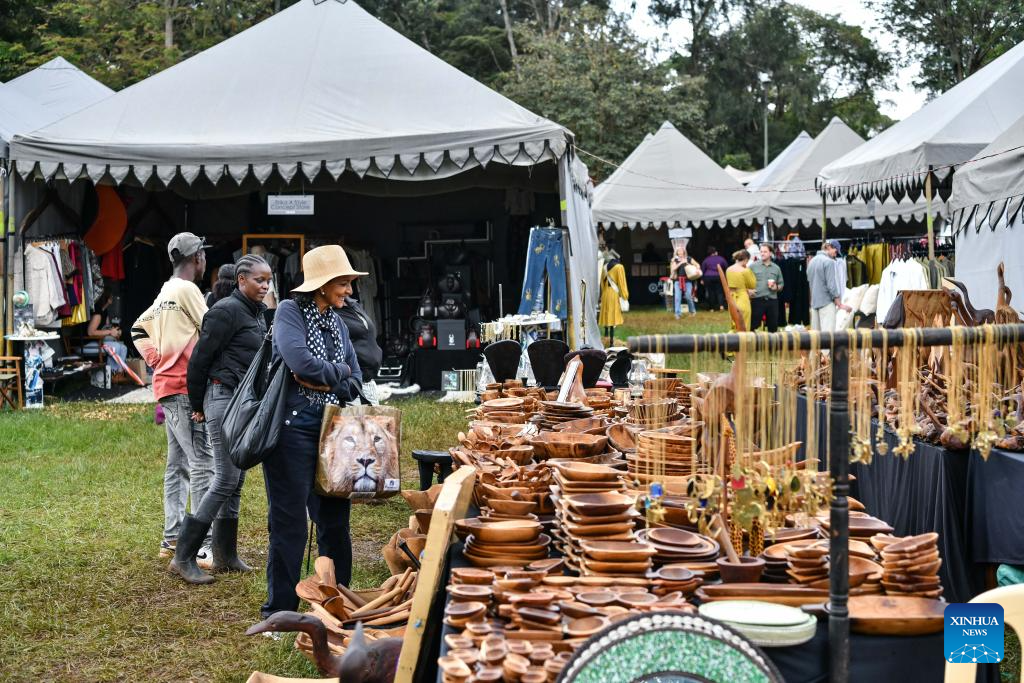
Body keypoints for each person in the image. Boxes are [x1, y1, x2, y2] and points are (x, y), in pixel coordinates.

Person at [261, 245, 365, 618]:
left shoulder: (338, 323)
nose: (349, 291)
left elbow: (356, 378)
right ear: (322, 285)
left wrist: (324, 378)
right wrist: (335, 375)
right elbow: (298, 359)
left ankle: (337, 602)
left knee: (336, 522)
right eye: (343, 283)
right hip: (292, 431)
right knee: (289, 523)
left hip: (332, 432)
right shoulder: (290, 312)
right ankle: (279, 611)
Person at [176, 255, 271, 584]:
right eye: (259, 280)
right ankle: (183, 556)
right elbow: (199, 358)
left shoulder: (257, 314)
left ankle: (226, 556)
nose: (265, 286)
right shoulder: (225, 311)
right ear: (241, 280)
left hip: (242, 402)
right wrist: (198, 401)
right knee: (225, 479)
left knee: (237, 480)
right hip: (221, 397)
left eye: (268, 281)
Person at [131, 232, 214, 566]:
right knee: (204, 464)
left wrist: (157, 360)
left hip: (167, 386)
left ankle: (172, 537)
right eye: (203, 255)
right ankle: (202, 544)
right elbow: (212, 330)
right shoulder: (188, 290)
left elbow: (138, 329)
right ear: (197, 259)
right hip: (184, 388)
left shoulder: (166, 290)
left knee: (177, 464)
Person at [337, 293, 382, 402]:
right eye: (343, 283)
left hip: (369, 382)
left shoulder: (352, 304)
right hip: (352, 384)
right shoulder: (330, 313)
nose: (350, 290)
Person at [807, 239, 851, 332]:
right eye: (836, 251)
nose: (836, 255)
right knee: (828, 338)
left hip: (814, 305)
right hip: (826, 304)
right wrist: (840, 304)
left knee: (816, 339)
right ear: (829, 247)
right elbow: (831, 286)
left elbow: (810, 283)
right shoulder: (829, 262)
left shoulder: (811, 262)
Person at [86, 290, 128, 376]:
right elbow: (90, 332)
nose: (112, 299)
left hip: (98, 341)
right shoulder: (97, 314)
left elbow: (106, 328)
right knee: (115, 347)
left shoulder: (103, 312)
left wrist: (115, 332)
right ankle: (112, 373)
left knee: (123, 348)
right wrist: (110, 332)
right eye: (110, 297)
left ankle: (119, 373)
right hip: (87, 343)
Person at [749, 244, 785, 332]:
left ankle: (772, 345)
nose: (762, 254)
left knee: (773, 327)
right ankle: (753, 344)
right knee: (753, 326)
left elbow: (781, 284)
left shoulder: (776, 268)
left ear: (770, 253)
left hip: (772, 301)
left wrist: (776, 287)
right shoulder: (753, 266)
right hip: (757, 299)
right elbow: (746, 281)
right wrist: (748, 290)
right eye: (761, 252)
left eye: (765, 252)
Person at [726, 250, 757, 331]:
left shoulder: (728, 269)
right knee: (744, 324)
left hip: (732, 298)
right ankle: (744, 342)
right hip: (742, 298)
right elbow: (752, 285)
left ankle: (733, 341)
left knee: (734, 324)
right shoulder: (745, 270)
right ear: (746, 259)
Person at [668, 245, 698, 319]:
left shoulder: (689, 258)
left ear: (684, 251)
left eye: (682, 250)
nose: (680, 252)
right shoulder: (674, 259)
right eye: (679, 251)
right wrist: (680, 263)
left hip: (688, 281)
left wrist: (695, 268)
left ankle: (692, 311)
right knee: (677, 297)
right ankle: (677, 314)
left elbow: (697, 265)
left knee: (688, 296)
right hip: (678, 281)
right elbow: (673, 269)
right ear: (677, 252)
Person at [701, 246, 728, 311]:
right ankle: (721, 306)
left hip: (708, 277)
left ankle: (712, 308)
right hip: (719, 276)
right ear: (716, 252)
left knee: (711, 292)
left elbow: (703, 269)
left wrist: (702, 279)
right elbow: (726, 266)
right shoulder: (721, 258)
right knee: (720, 291)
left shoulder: (706, 259)